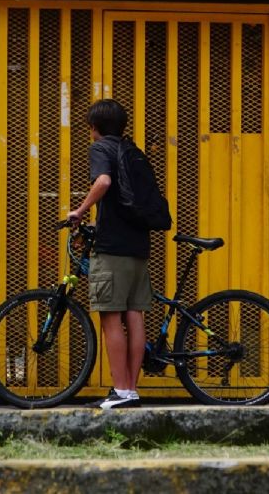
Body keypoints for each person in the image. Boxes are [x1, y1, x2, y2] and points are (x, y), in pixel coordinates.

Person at [67, 99, 151, 410]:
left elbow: (103, 181)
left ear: (94, 128)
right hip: (139, 244)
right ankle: (132, 391)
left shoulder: (101, 149)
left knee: (110, 316)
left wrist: (80, 210)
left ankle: (120, 390)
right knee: (135, 314)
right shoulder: (133, 151)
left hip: (113, 246)